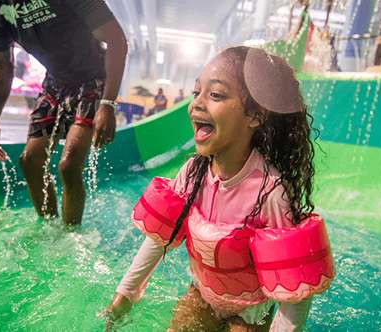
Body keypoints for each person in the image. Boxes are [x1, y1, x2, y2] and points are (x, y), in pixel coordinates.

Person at [104, 46, 335, 331]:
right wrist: (126, 293)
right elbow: (160, 237)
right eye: (196, 92)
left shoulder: (271, 192)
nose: (196, 104)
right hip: (203, 296)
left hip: (251, 313)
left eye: (215, 95)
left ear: (255, 115)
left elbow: (295, 290)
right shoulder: (192, 173)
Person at [0, 0, 128, 225]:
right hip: (55, 82)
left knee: (69, 165)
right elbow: (1, 63)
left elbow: (116, 40)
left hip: (93, 77)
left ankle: (71, 234)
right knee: (30, 161)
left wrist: (108, 103)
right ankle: (50, 228)